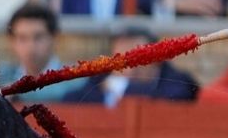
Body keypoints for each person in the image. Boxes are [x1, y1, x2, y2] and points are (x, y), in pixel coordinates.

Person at [65, 21, 199, 105]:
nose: (127, 69)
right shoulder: (102, 79)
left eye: (136, 60)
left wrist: (123, 89)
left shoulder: (177, 81)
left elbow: (174, 99)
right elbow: (72, 100)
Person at [0, 2, 90, 102]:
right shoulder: (2, 77)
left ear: (55, 38)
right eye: (22, 38)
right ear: (11, 41)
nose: (30, 47)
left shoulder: (75, 80)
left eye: (38, 37)